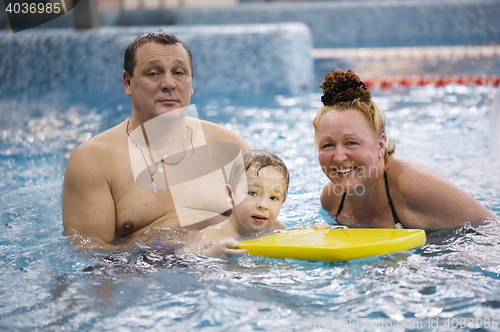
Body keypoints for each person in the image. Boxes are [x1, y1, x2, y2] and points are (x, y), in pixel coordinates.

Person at [62, 30, 251, 249]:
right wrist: (182, 253)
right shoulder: (94, 161)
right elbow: (89, 255)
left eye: (179, 73)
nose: (169, 83)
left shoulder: (231, 148)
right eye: (153, 73)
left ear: (191, 84)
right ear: (127, 82)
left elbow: (266, 225)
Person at [313, 69, 495, 229]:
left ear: (380, 145)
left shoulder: (417, 188)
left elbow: (491, 231)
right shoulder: (332, 200)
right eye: (328, 145)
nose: (338, 156)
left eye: (351, 143)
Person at [178, 150, 289, 257]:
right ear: (231, 194)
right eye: (253, 193)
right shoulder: (213, 235)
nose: (263, 205)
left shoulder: (277, 229)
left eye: (273, 198)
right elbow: (182, 255)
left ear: (282, 202)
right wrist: (211, 253)